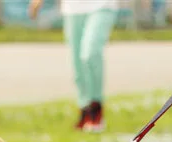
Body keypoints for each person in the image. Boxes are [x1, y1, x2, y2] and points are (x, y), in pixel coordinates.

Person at [29, 0, 118, 132]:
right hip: (73, 9)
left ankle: (96, 108)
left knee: (90, 54)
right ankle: (85, 109)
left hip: (101, 5)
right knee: (77, 65)